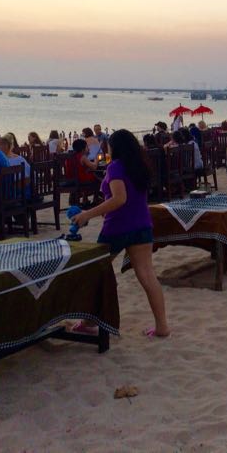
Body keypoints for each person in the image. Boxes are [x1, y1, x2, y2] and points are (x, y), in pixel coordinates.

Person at [70, 129, 169, 338]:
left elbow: (119, 199)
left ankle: (89, 321)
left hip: (117, 227)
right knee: (148, 276)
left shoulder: (115, 166)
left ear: (114, 147)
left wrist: (87, 214)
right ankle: (162, 326)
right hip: (142, 224)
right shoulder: (139, 166)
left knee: (96, 273)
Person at [64, 139, 99, 205]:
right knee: (97, 178)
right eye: (87, 147)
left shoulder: (70, 156)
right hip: (80, 180)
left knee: (88, 173)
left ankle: (84, 199)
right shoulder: (83, 157)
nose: (88, 148)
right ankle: (95, 199)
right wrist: (96, 160)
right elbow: (94, 167)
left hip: (70, 180)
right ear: (83, 149)